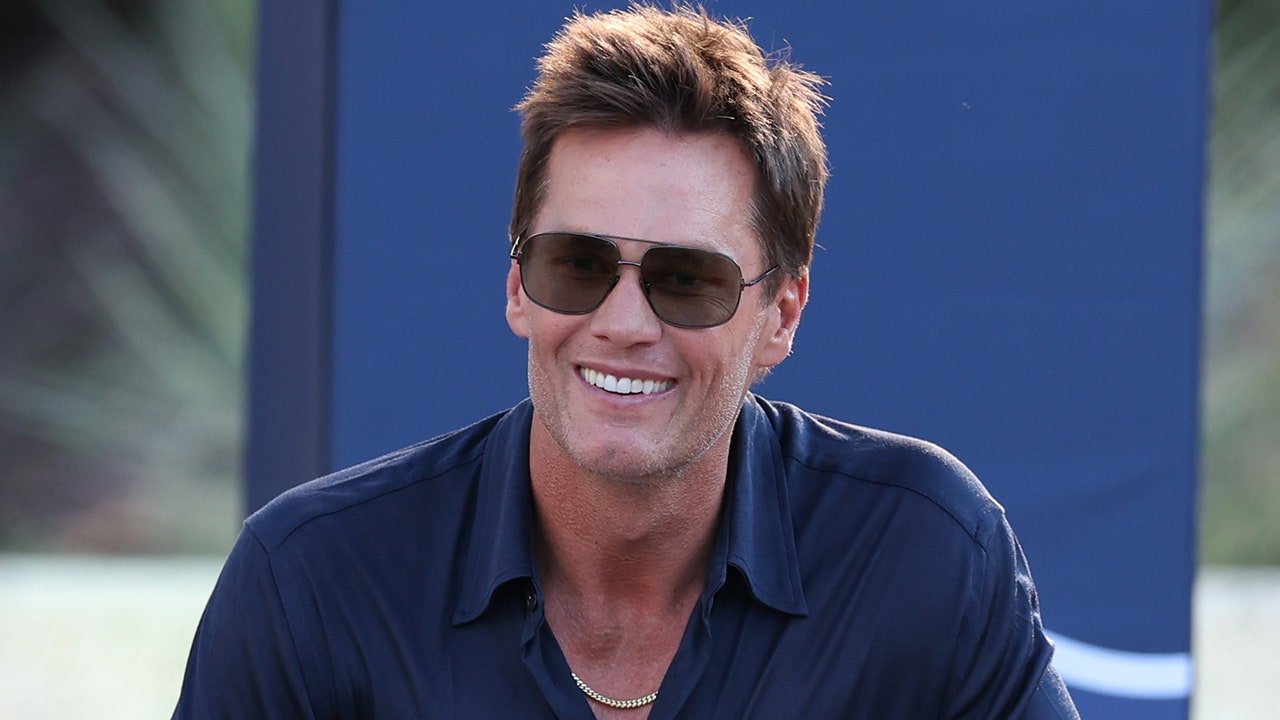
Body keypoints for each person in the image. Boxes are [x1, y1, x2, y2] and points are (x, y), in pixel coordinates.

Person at [174, 6, 1080, 719]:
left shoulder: (923, 555)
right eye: (577, 264)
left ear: (782, 314)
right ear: (517, 286)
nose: (623, 324)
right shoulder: (313, 584)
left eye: (687, 280)